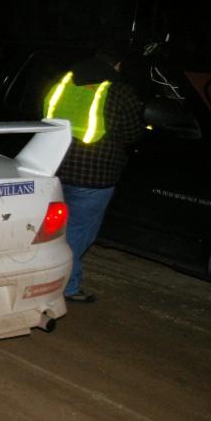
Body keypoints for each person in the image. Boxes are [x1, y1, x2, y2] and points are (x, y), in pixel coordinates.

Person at [44, 47, 144, 303]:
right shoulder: (119, 91)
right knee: (77, 234)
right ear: (118, 65)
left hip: (54, 167)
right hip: (94, 178)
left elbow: (46, 115)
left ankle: (43, 279)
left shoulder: (63, 82)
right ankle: (63, 287)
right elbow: (132, 132)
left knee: (53, 232)